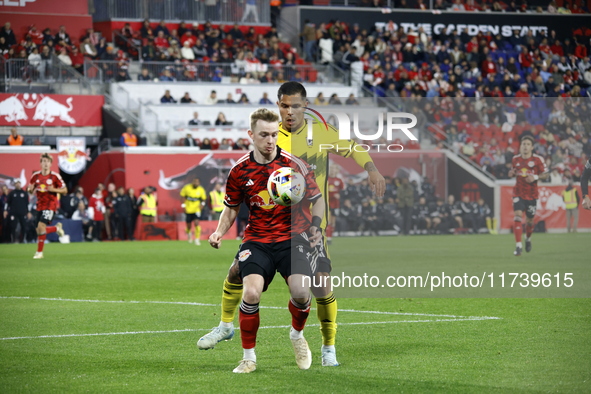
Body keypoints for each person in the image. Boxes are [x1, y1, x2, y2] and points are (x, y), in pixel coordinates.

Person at [198, 82, 386, 368]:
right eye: (284, 106)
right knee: (237, 271)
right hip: (263, 230)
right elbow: (239, 192)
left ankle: (328, 347)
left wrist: (371, 169)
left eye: (295, 106)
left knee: (320, 285)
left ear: (305, 106)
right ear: (278, 107)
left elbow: (352, 148)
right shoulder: (271, 138)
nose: (289, 112)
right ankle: (227, 326)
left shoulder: (320, 133)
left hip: (306, 226)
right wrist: (221, 230)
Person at [207, 108, 324, 373]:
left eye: (274, 134)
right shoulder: (239, 170)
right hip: (257, 240)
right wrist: (219, 231)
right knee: (250, 292)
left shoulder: (294, 164)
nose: (270, 140)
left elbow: (317, 200)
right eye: (264, 135)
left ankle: (296, 335)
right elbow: (232, 206)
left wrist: (316, 227)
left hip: (292, 238)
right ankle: (249, 357)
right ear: (251, 135)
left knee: (302, 293)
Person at [508, 135, 549, 256]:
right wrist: (511, 173)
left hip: (532, 195)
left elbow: (546, 174)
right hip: (518, 193)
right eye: (523, 144)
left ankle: (528, 238)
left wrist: (535, 177)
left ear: (532, 147)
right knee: (517, 216)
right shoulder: (515, 159)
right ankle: (518, 246)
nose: (525, 146)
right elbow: (513, 171)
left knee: (530, 221)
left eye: (527, 144)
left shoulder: (538, 160)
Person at [28, 153, 67, 259]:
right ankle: (56, 228)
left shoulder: (55, 176)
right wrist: (30, 190)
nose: (45, 163)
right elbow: (30, 189)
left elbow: (65, 190)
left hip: (50, 205)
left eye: (47, 162)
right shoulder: (35, 176)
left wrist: (54, 189)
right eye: (44, 161)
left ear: (50, 164)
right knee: (39, 230)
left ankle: (39, 253)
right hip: (39, 205)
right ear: (41, 163)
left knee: (41, 227)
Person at [180, 178, 206, 245]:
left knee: (196, 223)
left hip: (196, 209)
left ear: (199, 183)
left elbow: (203, 199)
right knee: (188, 225)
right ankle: (189, 235)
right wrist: (183, 205)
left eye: (197, 182)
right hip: (188, 209)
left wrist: (202, 205)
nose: (196, 183)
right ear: (192, 182)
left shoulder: (201, 189)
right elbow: (182, 196)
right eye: (195, 182)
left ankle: (197, 239)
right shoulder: (187, 187)